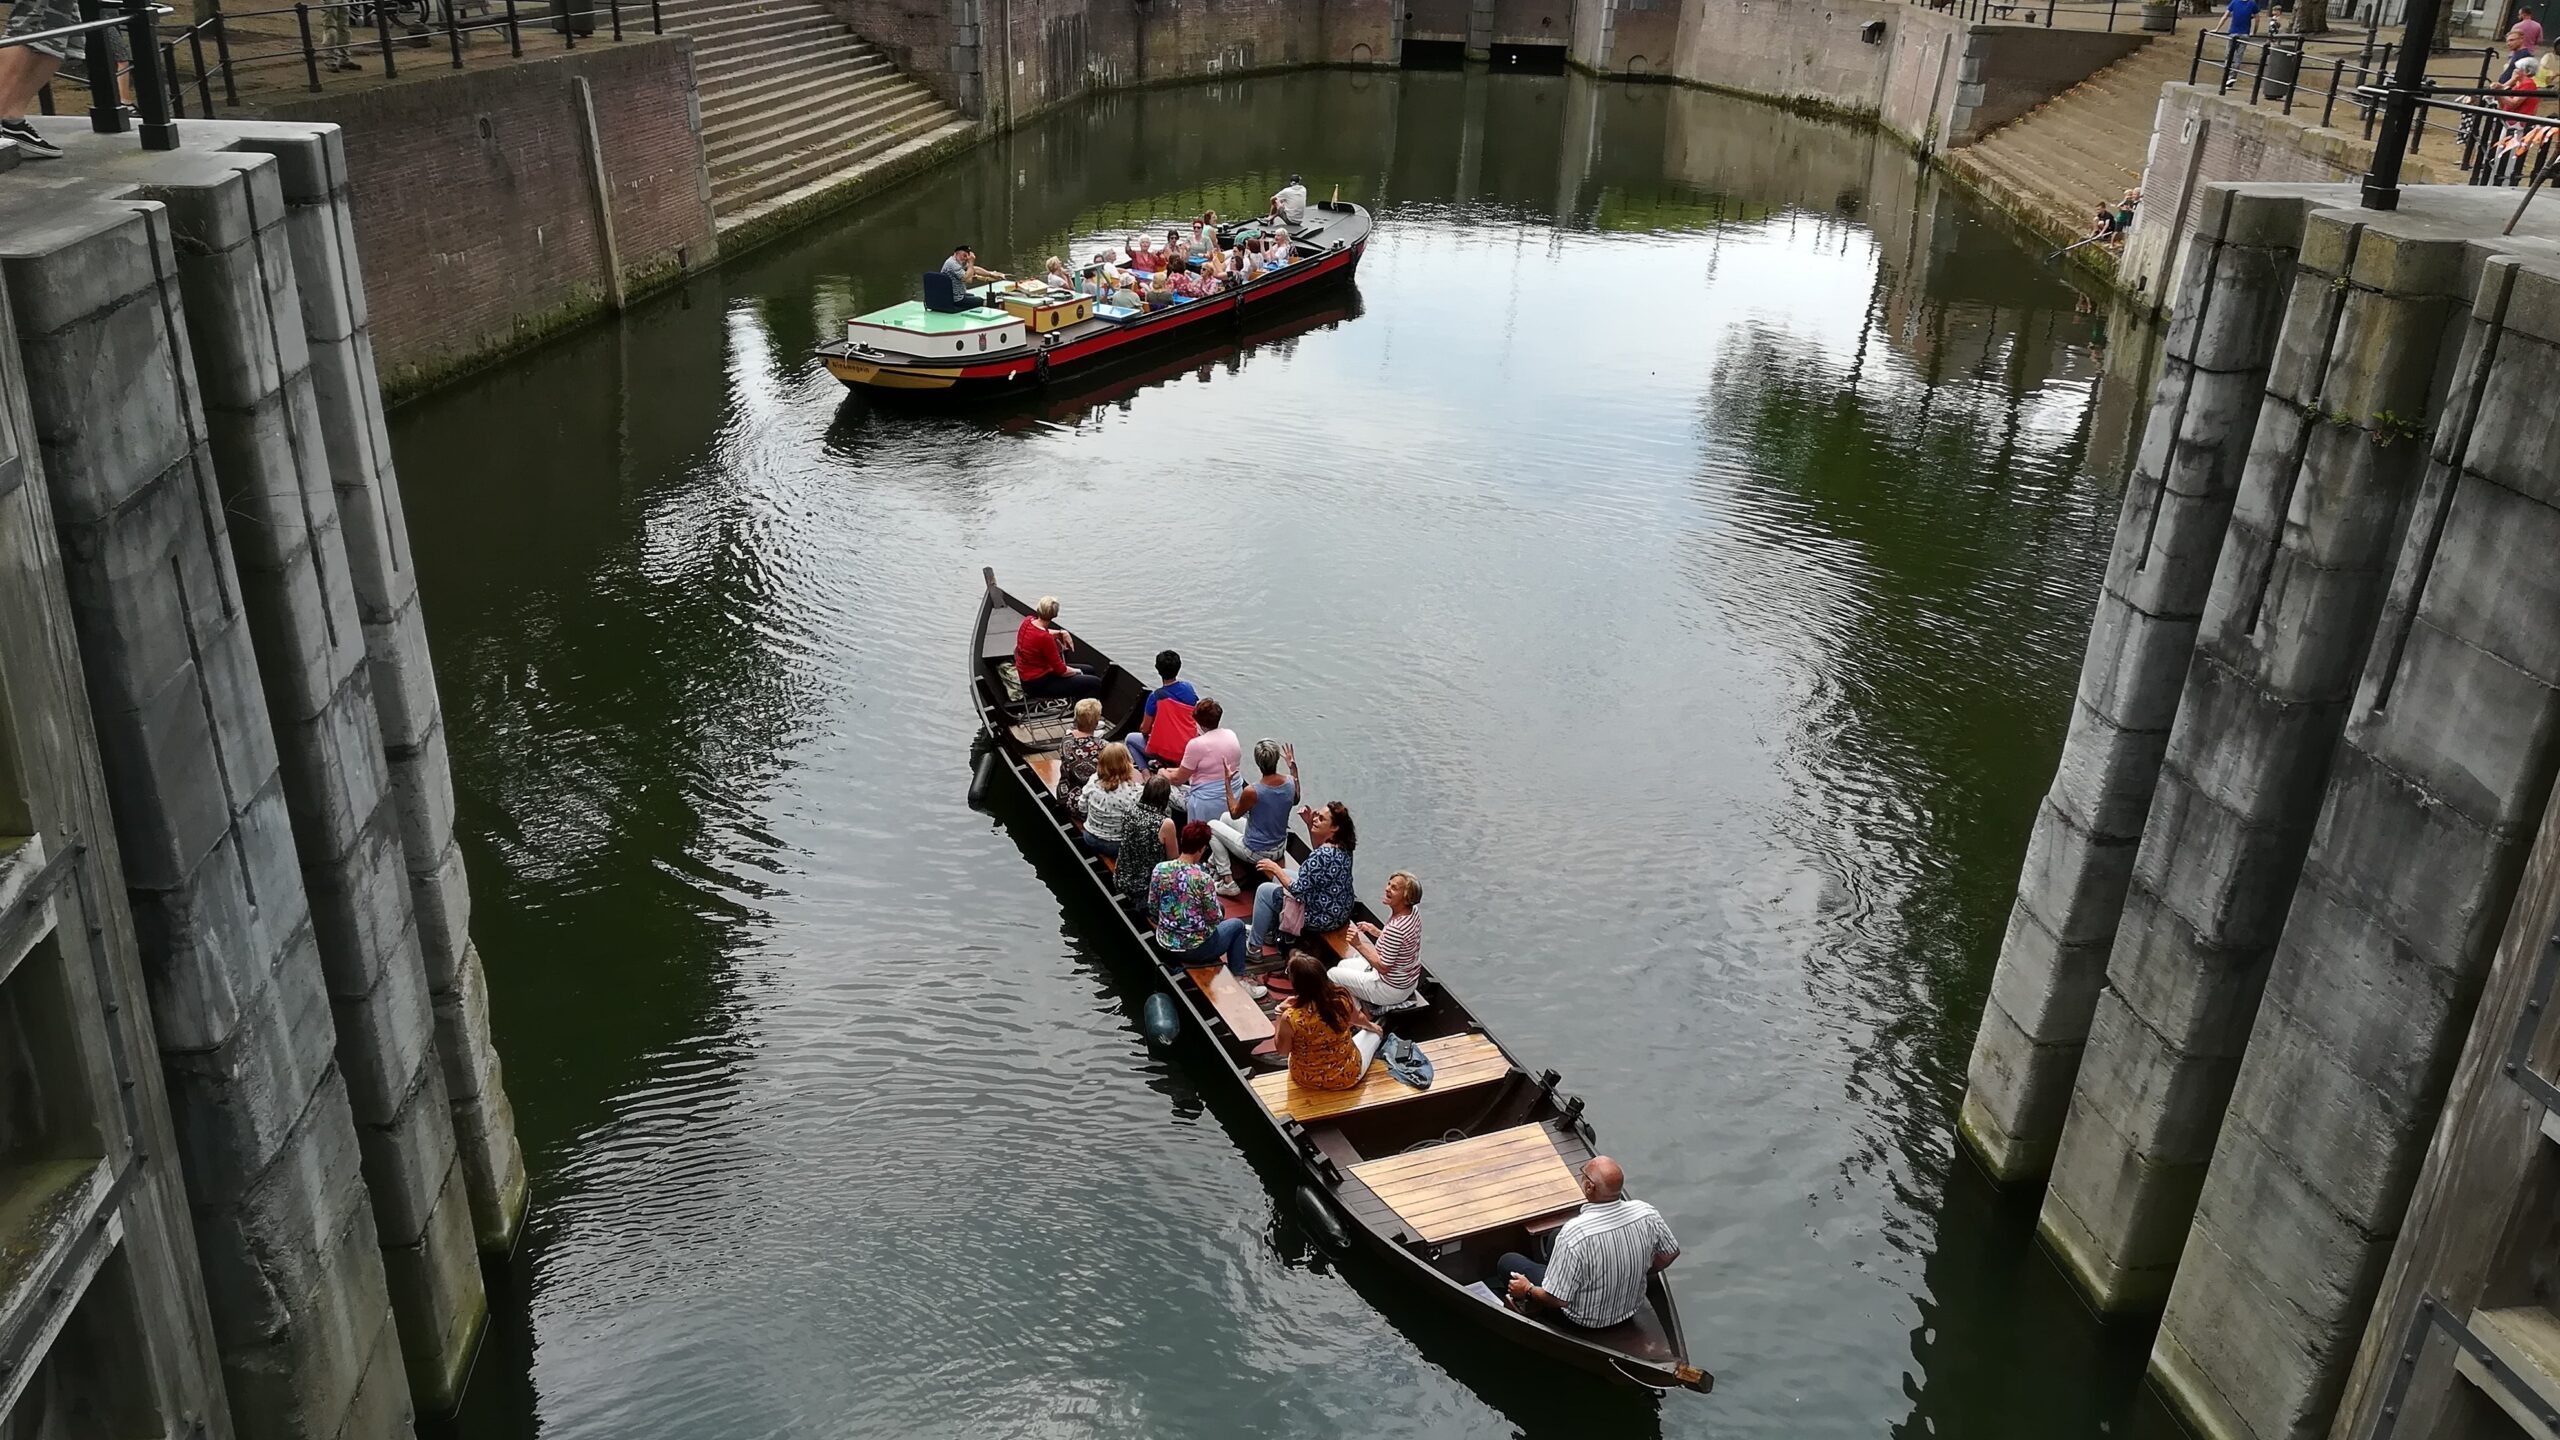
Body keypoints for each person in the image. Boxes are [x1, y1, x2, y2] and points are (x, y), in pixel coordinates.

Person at [1497, 1157, 1681, 1329]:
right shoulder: (1646, 1213)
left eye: (1582, 1175)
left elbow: (1559, 1301)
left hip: (1582, 1321)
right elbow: (1670, 1253)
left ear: (1590, 1187)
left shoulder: (1575, 1234)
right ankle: (1556, 1275)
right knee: (1554, 1236)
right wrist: (1639, 1270)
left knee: (1508, 1261)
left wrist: (1527, 1289)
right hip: (1628, 1311)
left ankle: (1549, 1284)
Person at [1150, 822, 1260, 995]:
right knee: (1237, 926)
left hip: (1165, 941)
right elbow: (1215, 917)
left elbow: (1153, 906)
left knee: (1220, 908)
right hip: (1195, 949)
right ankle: (1239, 980)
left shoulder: (1160, 869)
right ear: (1201, 849)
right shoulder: (1203, 878)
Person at [1248, 800, 1356, 954]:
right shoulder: (1343, 846)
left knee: (1264, 891)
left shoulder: (1322, 856)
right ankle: (1271, 930)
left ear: (1334, 827)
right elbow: (1318, 853)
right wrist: (1308, 825)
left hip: (1321, 916)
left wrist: (1275, 868)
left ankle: (1253, 948)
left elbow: (1299, 891)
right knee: (1284, 877)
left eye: (1321, 819)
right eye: (1316, 816)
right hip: (1338, 909)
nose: (1315, 820)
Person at [1270, 950, 1384, 1089]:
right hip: (1347, 1075)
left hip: (1306, 1078)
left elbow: (1283, 1050)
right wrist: (1372, 1027)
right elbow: (1357, 1018)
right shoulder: (1341, 999)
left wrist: (1278, 1013)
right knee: (1375, 1033)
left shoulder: (1289, 1017)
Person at [1332, 872, 1423, 1009]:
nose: (1387, 889)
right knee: (1343, 966)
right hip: (1406, 981)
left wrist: (1358, 944)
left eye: (1394, 888)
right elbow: (1403, 942)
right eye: (1389, 884)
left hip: (1389, 988)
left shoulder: (1396, 928)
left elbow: (1383, 968)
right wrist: (1378, 932)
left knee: (1332, 974)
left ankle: (1360, 1014)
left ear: (1406, 898)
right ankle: (1359, 1005)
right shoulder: (1413, 912)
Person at [1209, 740, 1298, 874]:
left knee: (1211, 825)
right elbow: (1296, 800)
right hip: (1279, 847)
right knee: (1224, 818)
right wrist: (1293, 769)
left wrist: (1227, 782)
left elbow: (1234, 813)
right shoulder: (1291, 782)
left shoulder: (1253, 791)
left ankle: (1226, 878)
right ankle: (1212, 863)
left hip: (1256, 851)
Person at [1015, 596, 1104, 701]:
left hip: (1032, 676)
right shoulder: (1045, 639)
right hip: (1038, 684)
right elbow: (1062, 671)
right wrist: (1078, 672)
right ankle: (1086, 714)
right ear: (1055, 614)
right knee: (1095, 683)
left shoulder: (1028, 621)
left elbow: (1041, 632)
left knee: (1090, 670)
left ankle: (1080, 707)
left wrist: (1061, 632)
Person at [1128, 650, 1200, 771]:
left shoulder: (1154, 697)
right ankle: (1158, 764)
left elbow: (1144, 729)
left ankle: (1145, 774)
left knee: (1130, 739)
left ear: (1158, 669)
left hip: (1166, 752)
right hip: (1187, 751)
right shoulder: (1189, 689)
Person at [1115, 776, 1179, 911]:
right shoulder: (1165, 823)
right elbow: (1173, 860)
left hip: (1122, 877)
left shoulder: (1130, 809)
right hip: (1146, 887)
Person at [1076, 744, 1143, 859]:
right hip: (1115, 845)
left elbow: (1081, 806)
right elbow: (1136, 824)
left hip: (1090, 837)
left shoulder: (1093, 781)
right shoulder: (1134, 792)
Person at [1054, 699, 1108, 825]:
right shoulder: (1102, 746)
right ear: (1096, 723)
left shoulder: (1066, 740)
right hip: (1088, 804)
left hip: (1064, 795)